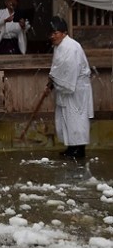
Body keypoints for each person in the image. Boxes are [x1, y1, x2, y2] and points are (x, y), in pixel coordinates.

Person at [44, 16, 93, 159]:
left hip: (76, 88)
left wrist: (53, 82)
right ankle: (71, 148)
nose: (52, 36)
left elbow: (68, 70)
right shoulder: (60, 46)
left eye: (55, 33)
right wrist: (51, 84)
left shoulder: (71, 47)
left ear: (64, 32)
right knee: (67, 119)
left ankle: (79, 150)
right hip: (65, 87)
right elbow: (57, 69)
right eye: (51, 33)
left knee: (76, 119)